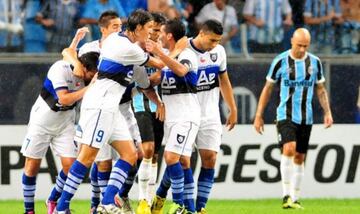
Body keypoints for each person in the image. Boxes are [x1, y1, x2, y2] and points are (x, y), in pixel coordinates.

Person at [54, 9, 168, 214]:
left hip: (111, 108)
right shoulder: (126, 47)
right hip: (100, 105)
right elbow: (159, 64)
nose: (152, 33)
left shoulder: (124, 44)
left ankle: (107, 203)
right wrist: (160, 50)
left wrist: (158, 101)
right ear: (139, 28)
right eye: (150, 28)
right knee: (87, 158)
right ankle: (62, 208)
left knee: (130, 154)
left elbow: (144, 84)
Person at [151, 19, 238, 214]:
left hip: (210, 114)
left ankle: (199, 208)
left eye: (218, 41)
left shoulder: (219, 52)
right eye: (212, 40)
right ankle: (185, 206)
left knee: (210, 158)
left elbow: (223, 80)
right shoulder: (182, 50)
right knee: (181, 160)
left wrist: (232, 108)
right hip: (186, 112)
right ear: (201, 33)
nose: (214, 45)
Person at [253, 28, 333, 209]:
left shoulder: (315, 63)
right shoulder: (280, 61)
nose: (303, 49)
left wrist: (327, 112)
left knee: (299, 156)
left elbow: (320, 89)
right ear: (291, 41)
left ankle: (295, 198)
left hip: (307, 117)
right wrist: (258, 116)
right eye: (299, 45)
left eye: (306, 46)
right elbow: (268, 88)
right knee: (289, 148)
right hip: (285, 115)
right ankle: (286, 196)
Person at [20, 33, 98, 214]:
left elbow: (69, 51)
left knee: (71, 165)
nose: (91, 78)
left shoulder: (86, 72)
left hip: (65, 123)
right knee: (32, 165)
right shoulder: (60, 69)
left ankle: (54, 199)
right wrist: (88, 89)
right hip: (42, 121)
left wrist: (77, 39)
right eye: (91, 75)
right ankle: (28, 210)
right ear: (84, 67)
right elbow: (63, 99)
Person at [145, 18, 200, 214]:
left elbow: (182, 70)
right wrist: (145, 84)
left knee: (170, 157)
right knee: (182, 161)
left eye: (161, 32)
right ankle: (190, 208)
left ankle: (176, 204)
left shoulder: (187, 55)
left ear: (169, 35)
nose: (158, 35)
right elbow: (153, 81)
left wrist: (160, 53)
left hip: (186, 117)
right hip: (172, 119)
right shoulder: (168, 57)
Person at [134, 12, 166, 214]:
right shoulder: (136, 49)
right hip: (140, 103)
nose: (156, 34)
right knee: (146, 150)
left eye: (159, 30)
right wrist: (159, 74)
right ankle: (142, 200)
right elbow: (142, 81)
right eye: (153, 30)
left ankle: (150, 199)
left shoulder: (162, 50)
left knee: (154, 154)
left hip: (160, 106)